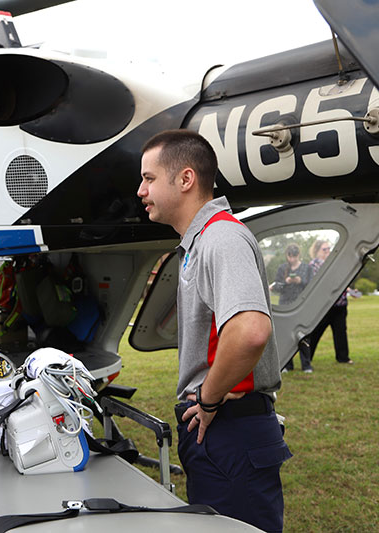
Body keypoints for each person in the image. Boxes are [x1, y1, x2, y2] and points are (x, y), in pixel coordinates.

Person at [138, 129, 291, 532]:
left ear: (185, 179)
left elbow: (249, 331)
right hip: (219, 429)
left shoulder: (221, 237)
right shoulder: (202, 240)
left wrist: (207, 399)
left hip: (229, 427)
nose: (141, 190)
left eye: (149, 178)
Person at [305, 239, 353, 365]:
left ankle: (343, 358)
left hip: (340, 304)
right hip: (324, 306)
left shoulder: (336, 263)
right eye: (324, 249)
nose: (328, 251)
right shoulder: (314, 264)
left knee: (340, 331)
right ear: (317, 251)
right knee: (316, 332)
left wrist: (350, 289)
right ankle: (307, 358)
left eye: (329, 248)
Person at [274, 244, 313, 373]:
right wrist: (286, 282)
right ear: (287, 255)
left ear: (298, 255)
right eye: (290, 256)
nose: (292, 259)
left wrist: (300, 281)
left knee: (303, 334)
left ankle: (306, 365)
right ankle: (287, 364)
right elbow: (277, 287)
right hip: (285, 304)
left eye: (294, 256)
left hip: (301, 304)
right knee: (286, 335)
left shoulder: (306, 268)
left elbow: (311, 285)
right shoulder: (282, 268)